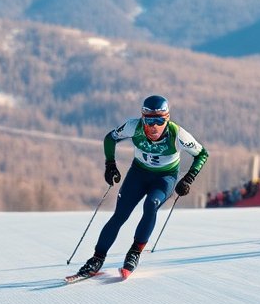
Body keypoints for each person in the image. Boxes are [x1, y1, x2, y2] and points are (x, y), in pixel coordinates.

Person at [74, 95, 209, 277]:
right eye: (149, 120)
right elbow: (110, 138)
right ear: (142, 118)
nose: (154, 126)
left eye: (159, 120)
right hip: (138, 174)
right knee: (120, 215)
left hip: (164, 178)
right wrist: (110, 165)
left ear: (167, 119)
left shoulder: (178, 135)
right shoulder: (133, 126)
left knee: (151, 205)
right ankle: (97, 258)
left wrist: (188, 178)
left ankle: (135, 252)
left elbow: (202, 154)